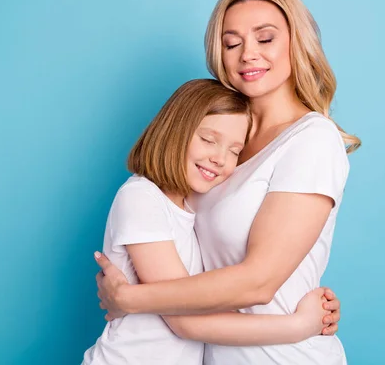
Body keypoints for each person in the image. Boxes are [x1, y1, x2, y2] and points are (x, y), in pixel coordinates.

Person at [95, 0, 359, 365]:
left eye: (265, 38)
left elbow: (259, 282)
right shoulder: (220, 144)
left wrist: (131, 298)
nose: (247, 54)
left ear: (295, 42)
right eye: (232, 43)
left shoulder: (311, 139)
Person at [83, 79, 338, 365]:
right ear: (174, 131)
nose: (219, 158)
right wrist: (300, 325)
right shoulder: (140, 198)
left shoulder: (192, 209)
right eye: (208, 140)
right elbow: (185, 321)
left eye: (234, 151)